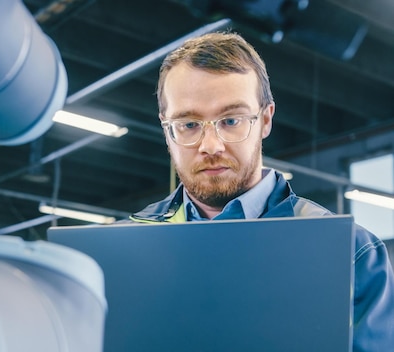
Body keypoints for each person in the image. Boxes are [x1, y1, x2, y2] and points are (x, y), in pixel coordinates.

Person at [125, 31, 394, 351]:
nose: (211, 146)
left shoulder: (352, 253)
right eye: (189, 124)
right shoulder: (127, 247)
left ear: (265, 119)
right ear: (167, 130)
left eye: (231, 120)